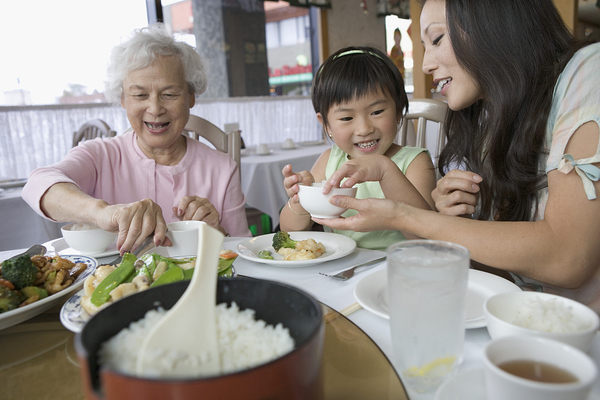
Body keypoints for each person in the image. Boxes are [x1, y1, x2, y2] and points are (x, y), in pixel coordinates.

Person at [316, 0, 600, 313]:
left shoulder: (589, 70)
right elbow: (506, 276)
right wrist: (457, 222)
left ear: (493, 21)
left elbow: (568, 259)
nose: (425, 65)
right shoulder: (488, 116)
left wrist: (408, 216)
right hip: (515, 314)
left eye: (437, 39)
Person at [22, 24, 251, 254]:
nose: (155, 108)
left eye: (169, 94)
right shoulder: (100, 156)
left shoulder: (222, 168)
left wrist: (217, 232)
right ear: (123, 100)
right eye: (140, 95)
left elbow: (242, 251)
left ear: (191, 97)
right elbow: (38, 184)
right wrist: (104, 212)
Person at [279, 46, 437, 250]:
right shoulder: (329, 161)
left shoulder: (415, 162)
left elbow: (427, 238)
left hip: (398, 270)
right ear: (326, 124)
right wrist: (301, 198)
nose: (364, 129)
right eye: (346, 118)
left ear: (398, 112)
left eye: (377, 111)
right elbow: (291, 232)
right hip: (340, 271)